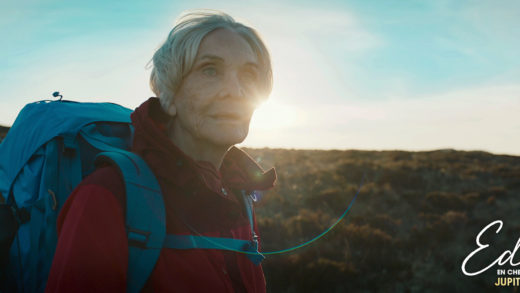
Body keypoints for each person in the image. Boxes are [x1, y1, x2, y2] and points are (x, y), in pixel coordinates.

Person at [45, 10, 276, 293]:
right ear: (170, 96)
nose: (237, 91)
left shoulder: (238, 194)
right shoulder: (109, 196)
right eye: (210, 70)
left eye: (249, 74)